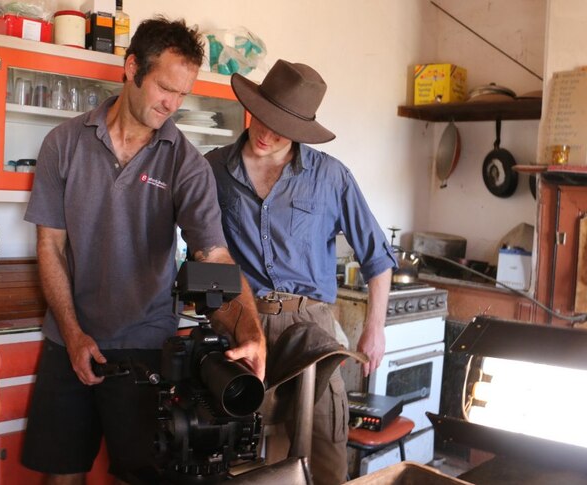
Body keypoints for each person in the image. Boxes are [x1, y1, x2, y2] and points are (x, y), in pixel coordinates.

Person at [21, 17, 266, 484]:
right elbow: (50, 245)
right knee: (61, 476)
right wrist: (72, 335)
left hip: (147, 345)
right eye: (164, 88)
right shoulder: (64, 143)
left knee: (141, 476)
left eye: (183, 94)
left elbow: (213, 256)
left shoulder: (186, 164)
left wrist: (250, 329)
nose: (173, 104)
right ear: (132, 67)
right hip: (67, 338)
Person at [205, 59, 397, 484]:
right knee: (250, 461)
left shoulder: (330, 177)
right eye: (264, 118)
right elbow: (201, 251)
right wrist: (205, 305)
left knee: (323, 450)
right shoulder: (214, 169)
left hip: (311, 330)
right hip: (242, 322)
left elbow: (377, 257)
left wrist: (375, 327)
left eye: (282, 128)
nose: (267, 133)